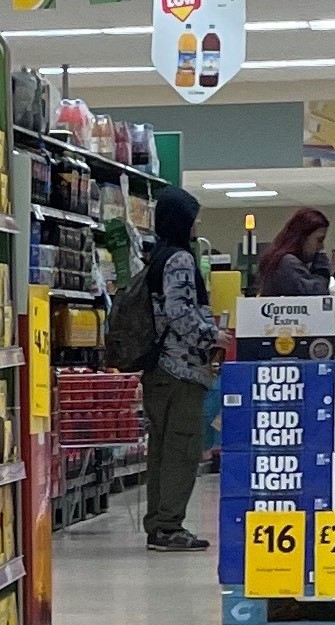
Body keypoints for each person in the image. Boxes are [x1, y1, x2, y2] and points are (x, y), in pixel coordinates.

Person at [139, 186, 220, 552]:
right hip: (181, 370)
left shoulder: (156, 257)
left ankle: (158, 523)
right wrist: (212, 338)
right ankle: (170, 526)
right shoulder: (181, 261)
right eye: (193, 217)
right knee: (182, 449)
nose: (196, 224)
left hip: (157, 369)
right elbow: (181, 311)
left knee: (160, 450)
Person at [255, 208, 333, 297]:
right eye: (319, 240)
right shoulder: (288, 263)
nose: (321, 246)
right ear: (303, 237)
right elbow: (316, 293)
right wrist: (321, 265)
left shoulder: (280, 260)